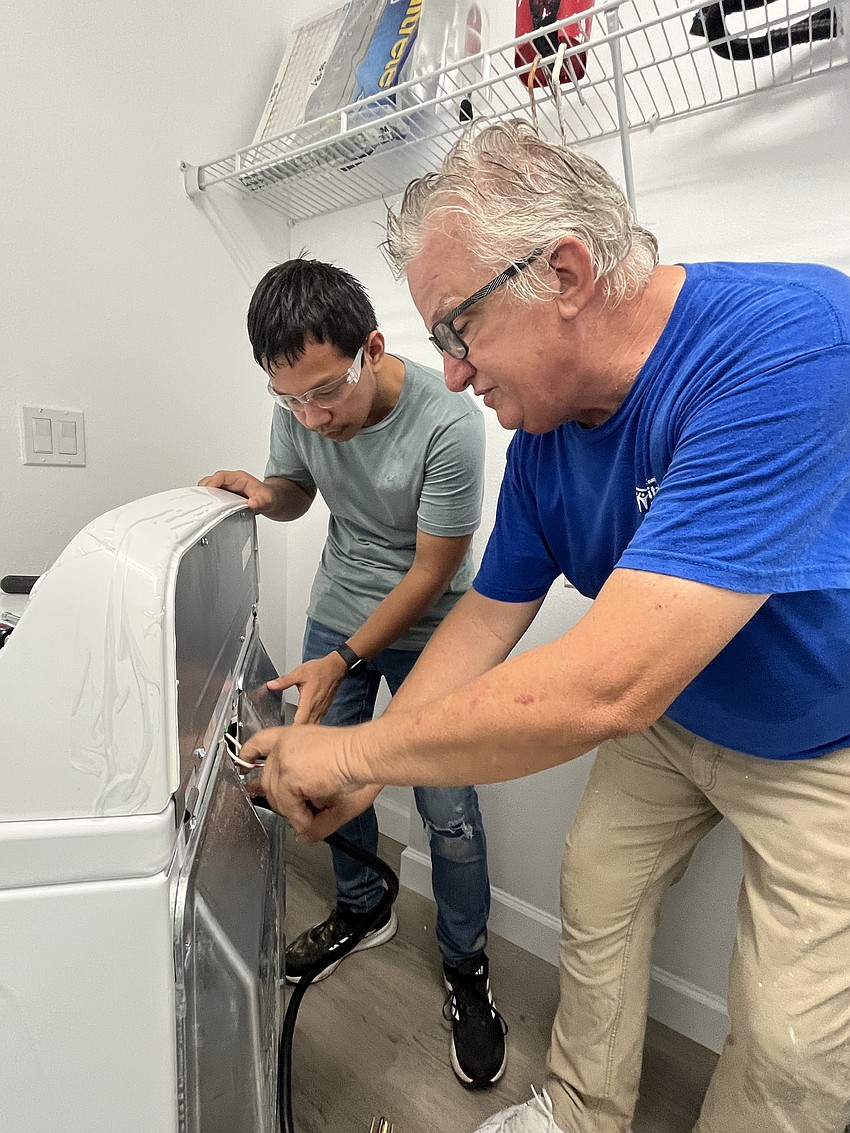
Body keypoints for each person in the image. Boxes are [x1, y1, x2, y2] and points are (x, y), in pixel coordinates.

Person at [240, 124, 850, 1133]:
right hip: (674, 721)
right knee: (595, 890)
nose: (457, 372)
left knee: (793, 1045)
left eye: (458, 330)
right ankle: (579, 1106)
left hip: (820, 736)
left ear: (563, 271)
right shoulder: (543, 445)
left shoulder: (790, 341)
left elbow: (611, 683)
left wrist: (351, 743)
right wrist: (367, 772)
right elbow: (480, 623)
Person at [200, 257, 508, 1091]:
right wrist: (264, 496)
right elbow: (300, 489)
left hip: (433, 626)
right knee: (323, 779)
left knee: (450, 808)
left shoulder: (449, 421)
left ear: (372, 348)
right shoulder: (301, 406)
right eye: (290, 398)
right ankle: (363, 909)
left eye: (326, 391)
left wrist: (345, 660)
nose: (312, 414)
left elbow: (432, 571)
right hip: (339, 609)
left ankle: (465, 966)